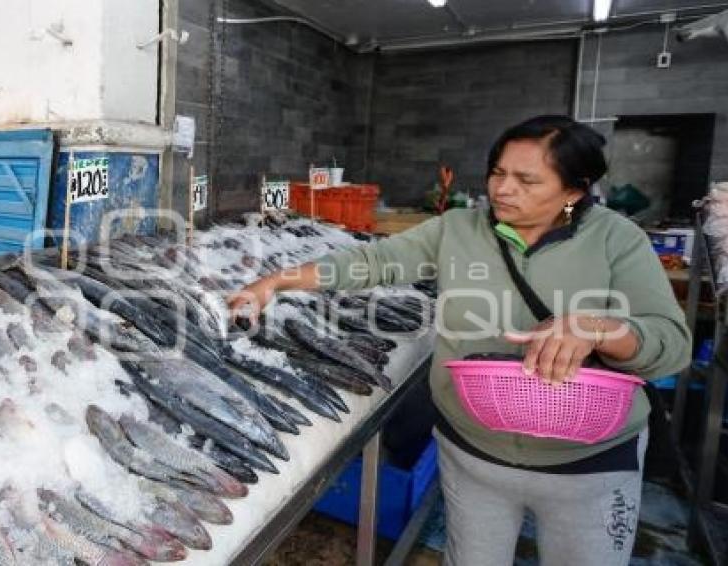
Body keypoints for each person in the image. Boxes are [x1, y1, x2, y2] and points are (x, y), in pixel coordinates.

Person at [227, 115, 691, 566]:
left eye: (527, 181)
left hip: (588, 465)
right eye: (497, 173)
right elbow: (374, 261)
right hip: (473, 454)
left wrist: (600, 329)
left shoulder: (616, 239)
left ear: (575, 189)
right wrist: (276, 282)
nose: (503, 189)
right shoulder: (460, 228)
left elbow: (671, 343)